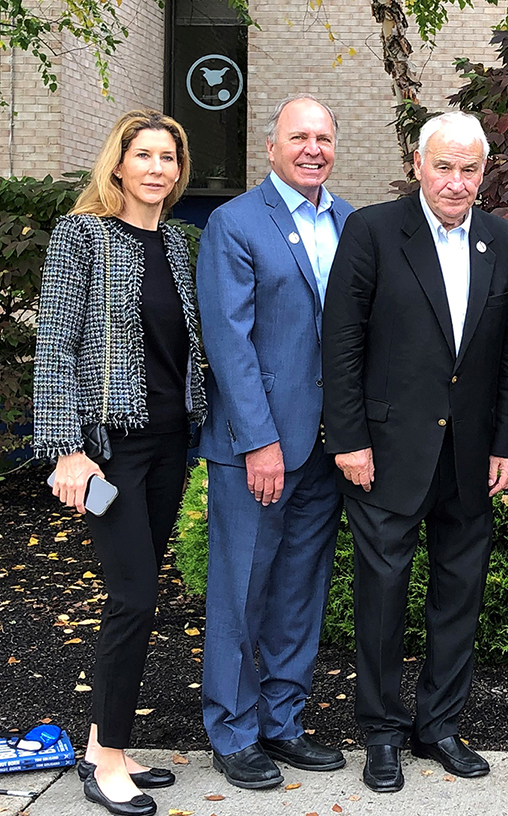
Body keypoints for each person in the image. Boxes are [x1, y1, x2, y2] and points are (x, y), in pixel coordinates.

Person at [322, 111, 508, 793]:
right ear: (419, 163)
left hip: (469, 456)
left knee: (458, 596)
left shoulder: (503, 241)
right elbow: (342, 341)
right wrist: (346, 437)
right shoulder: (373, 231)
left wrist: (504, 442)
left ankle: (438, 724)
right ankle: (381, 733)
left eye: (471, 168)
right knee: (381, 596)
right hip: (384, 451)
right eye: (445, 166)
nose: (457, 181)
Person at [33, 109, 206, 816]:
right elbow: (55, 345)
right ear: (118, 165)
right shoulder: (83, 235)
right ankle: (101, 759)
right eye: (146, 156)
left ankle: (112, 738)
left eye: (170, 157)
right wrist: (67, 449)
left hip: (168, 443)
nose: (159, 168)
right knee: (131, 598)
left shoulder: (173, 242)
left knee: (139, 598)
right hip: (108, 448)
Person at [197, 94, 352, 790]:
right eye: (299, 136)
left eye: (323, 137)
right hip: (257, 449)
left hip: (326, 448)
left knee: (299, 590)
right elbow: (228, 343)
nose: (312, 148)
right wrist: (260, 441)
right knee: (242, 589)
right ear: (271, 147)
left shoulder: (350, 221)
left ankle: (283, 722)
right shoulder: (234, 223)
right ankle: (232, 730)